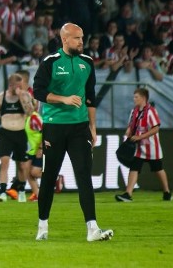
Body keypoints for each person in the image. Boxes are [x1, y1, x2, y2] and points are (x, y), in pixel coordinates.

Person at [32, 23, 113, 242]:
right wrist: (63, 99)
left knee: (84, 176)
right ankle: (42, 225)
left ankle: (92, 228)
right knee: (49, 177)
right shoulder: (50, 63)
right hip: (54, 126)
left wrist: (93, 127)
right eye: (77, 38)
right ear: (65, 39)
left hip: (80, 127)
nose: (81, 42)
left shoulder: (87, 63)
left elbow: (90, 96)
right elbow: (38, 91)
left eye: (82, 38)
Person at [115, 87, 172, 202]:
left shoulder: (151, 111)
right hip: (139, 147)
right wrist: (129, 131)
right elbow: (131, 125)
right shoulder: (134, 111)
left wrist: (140, 136)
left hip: (151, 147)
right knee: (134, 168)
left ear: (143, 98)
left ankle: (167, 192)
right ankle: (128, 194)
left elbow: (156, 129)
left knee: (158, 169)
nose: (134, 99)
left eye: (136, 97)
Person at [0, 73, 35, 202]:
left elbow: (30, 112)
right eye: (18, 86)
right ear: (11, 85)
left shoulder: (25, 95)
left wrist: (21, 97)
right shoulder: (0, 97)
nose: (20, 88)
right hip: (5, 133)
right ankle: (3, 192)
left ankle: (21, 190)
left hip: (20, 133)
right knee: (4, 162)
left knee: (21, 165)